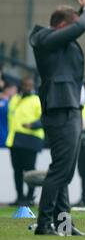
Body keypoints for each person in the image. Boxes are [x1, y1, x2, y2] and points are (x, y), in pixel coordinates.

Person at [29, 0, 85, 236]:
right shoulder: (43, 38)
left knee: (64, 169)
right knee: (61, 170)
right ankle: (44, 224)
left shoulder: (55, 40)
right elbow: (77, 28)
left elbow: (76, 27)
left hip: (70, 108)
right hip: (61, 109)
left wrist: (84, 11)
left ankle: (63, 224)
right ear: (60, 26)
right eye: (69, 27)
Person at [6, 77, 44, 207]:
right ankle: (20, 197)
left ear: (33, 86)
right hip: (14, 139)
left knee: (30, 171)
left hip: (30, 139)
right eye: (25, 85)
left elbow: (45, 118)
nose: (27, 87)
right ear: (21, 85)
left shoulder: (37, 100)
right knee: (17, 170)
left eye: (30, 85)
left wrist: (33, 125)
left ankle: (30, 197)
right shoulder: (15, 99)